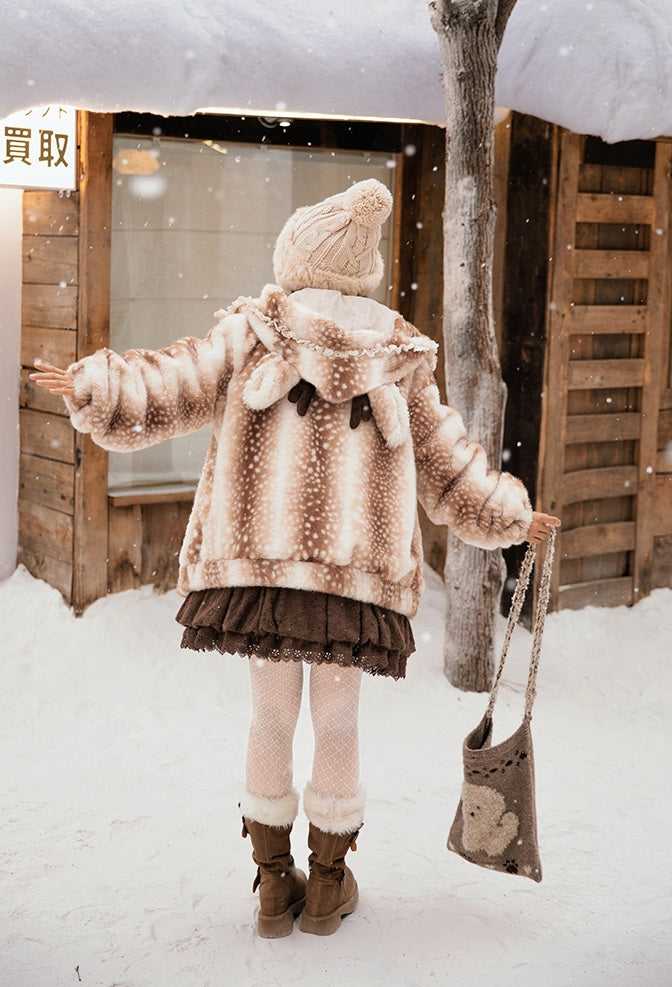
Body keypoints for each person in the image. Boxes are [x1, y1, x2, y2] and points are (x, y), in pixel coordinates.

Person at [31, 178, 560, 939]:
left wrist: (96, 385)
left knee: (270, 716)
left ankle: (275, 886)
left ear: (296, 259)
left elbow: (172, 382)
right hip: (355, 578)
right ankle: (328, 886)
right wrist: (510, 514)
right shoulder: (399, 356)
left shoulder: (253, 331)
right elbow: (447, 463)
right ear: (363, 272)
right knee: (338, 721)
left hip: (263, 568)